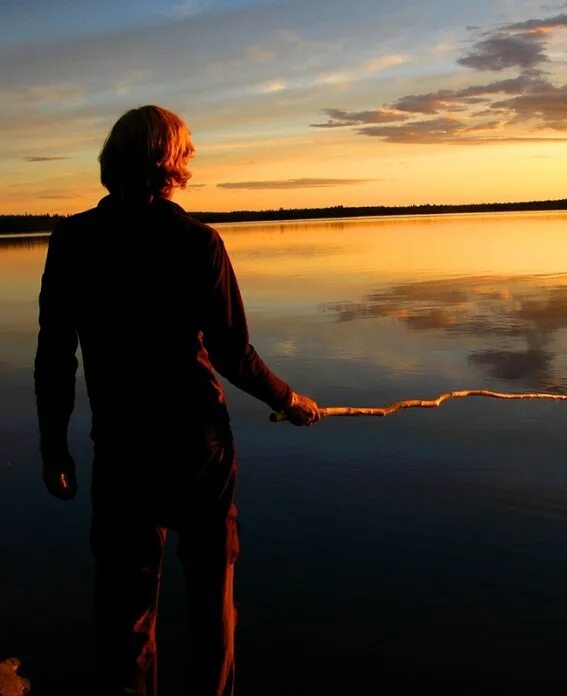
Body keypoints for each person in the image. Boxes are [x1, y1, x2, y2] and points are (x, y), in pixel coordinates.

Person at [34, 105, 321, 696]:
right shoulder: (197, 242)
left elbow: (56, 355)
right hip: (199, 449)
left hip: (121, 447)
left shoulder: (72, 241)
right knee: (212, 598)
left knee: (126, 613)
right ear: (173, 164)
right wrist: (290, 399)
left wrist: (53, 445)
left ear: (113, 159)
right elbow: (233, 354)